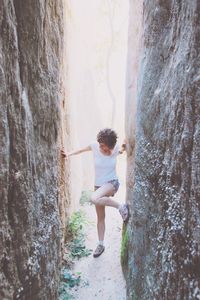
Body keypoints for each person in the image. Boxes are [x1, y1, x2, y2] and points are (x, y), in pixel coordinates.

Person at [61, 128, 129, 258]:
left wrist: (125, 145)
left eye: (104, 146)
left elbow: (123, 147)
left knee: (93, 198)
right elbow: (81, 150)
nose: (101, 148)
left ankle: (120, 206)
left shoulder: (115, 149)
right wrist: (68, 154)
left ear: (111, 145)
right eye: (101, 145)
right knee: (100, 217)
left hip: (111, 183)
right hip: (98, 185)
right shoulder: (94, 146)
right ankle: (101, 244)